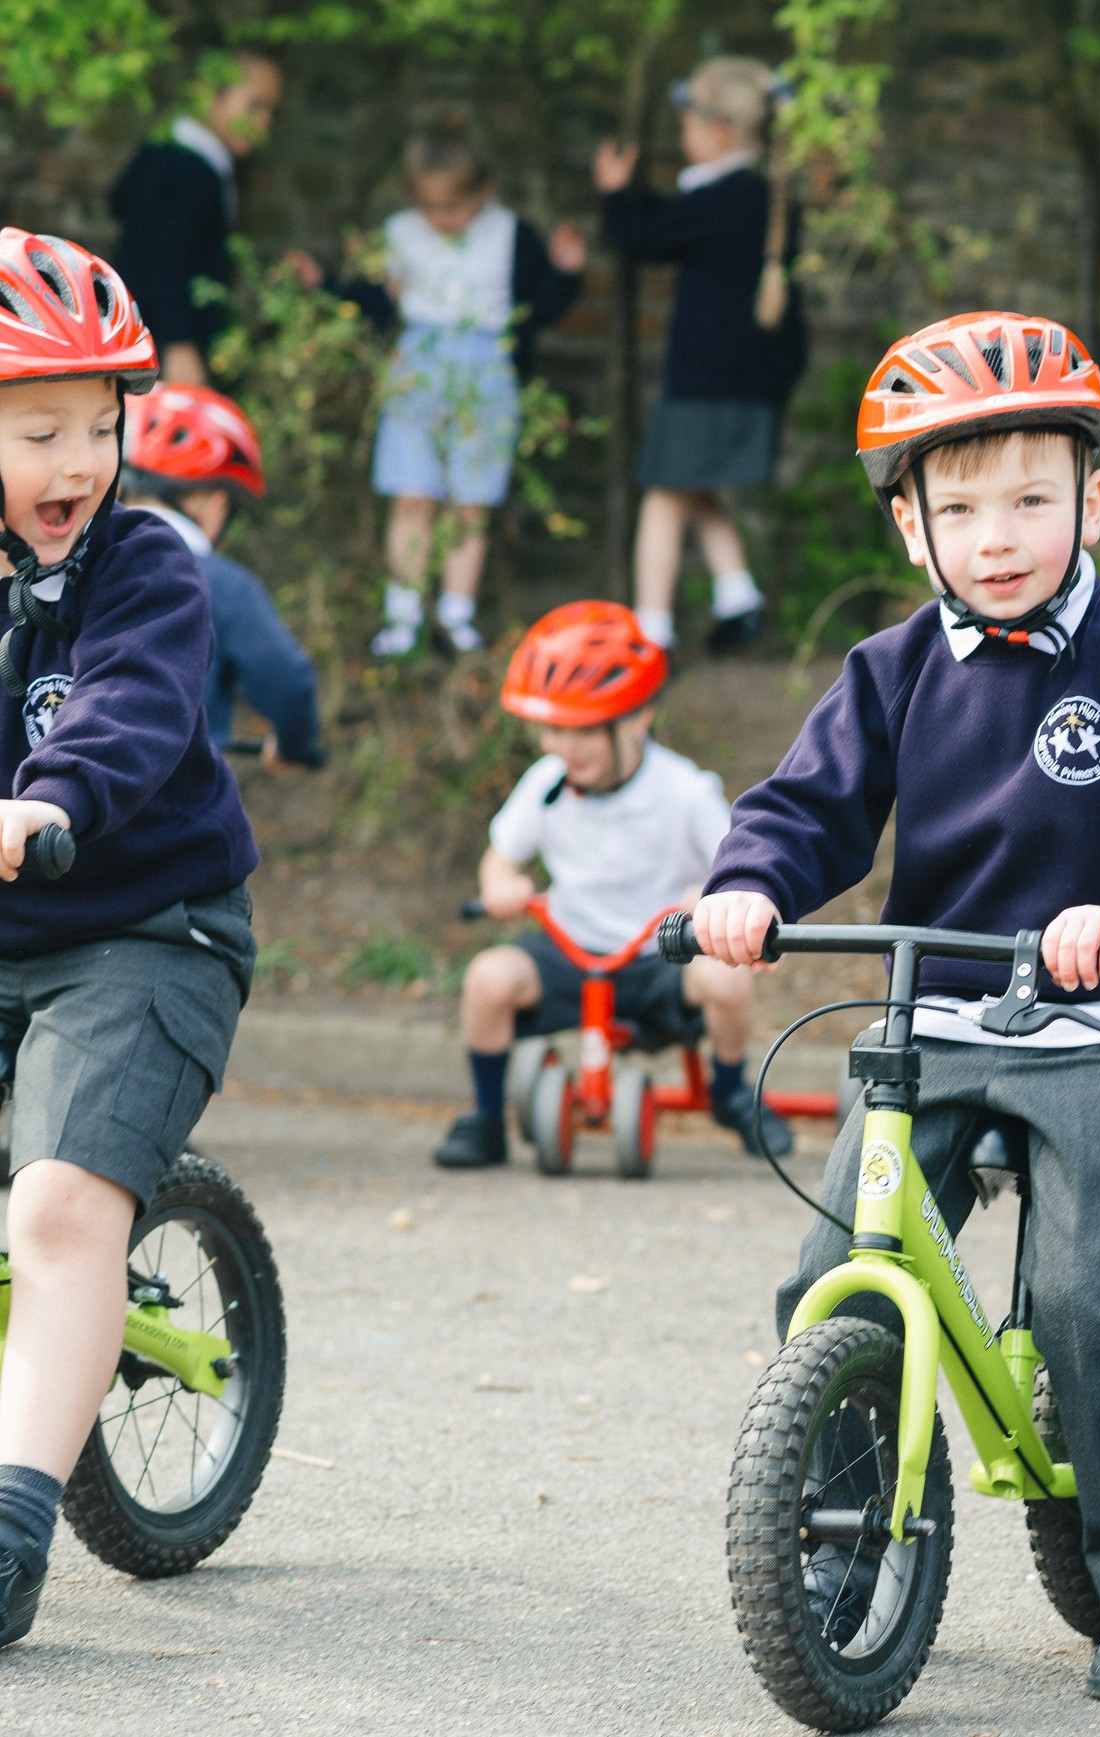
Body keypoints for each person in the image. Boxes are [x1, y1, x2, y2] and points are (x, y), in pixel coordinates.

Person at [689, 310, 1100, 1703]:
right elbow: (806, 809)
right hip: (933, 1016)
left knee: (1090, 1299)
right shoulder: (892, 670)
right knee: (829, 1279)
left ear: (1091, 498)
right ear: (910, 528)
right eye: (962, 506)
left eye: (1032, 500)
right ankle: (840, 1543)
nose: (999, 533)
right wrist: (749, 887)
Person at [0, 231, 262, 1650]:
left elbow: (131, 711)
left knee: (53, 1209)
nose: (81, 460)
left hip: (143, 928)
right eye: (40, 429)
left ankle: (10, 1531)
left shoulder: (146, 565)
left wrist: (44, 803)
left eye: (102, 426)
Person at [435, 600, 787, 1169]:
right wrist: (502, 884)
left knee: (726, 984)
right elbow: (500, 858)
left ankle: (729, 1090)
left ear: (635, 719)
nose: (561, 747)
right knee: (486, 979)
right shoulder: (546, 782)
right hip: (570, 949)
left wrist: (711, 897)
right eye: (551, 729)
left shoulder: (685, 791)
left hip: (659, 955)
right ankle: (483, 1120)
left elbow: (736, 865)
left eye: (580, 731)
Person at [595, 56, 807, 653]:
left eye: (686, 125)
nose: (680, 138)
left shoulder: (719, 201)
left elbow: (648, 237)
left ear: (718, 131)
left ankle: (649, 633)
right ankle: (738, 596)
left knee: (664, 493)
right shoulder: (766, 198)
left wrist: (615, 196)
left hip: (705, 379)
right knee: (693, 483)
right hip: (753, 376)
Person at [353, 128, 586, 659]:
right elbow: (370, 303)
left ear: (484, 191)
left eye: (454, 206)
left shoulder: (510, 233)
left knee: (471, 502)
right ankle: (402, 617)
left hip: (486, 369)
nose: (442, 218)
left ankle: (457, 615)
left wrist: (567, 274)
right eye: (430, 206)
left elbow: (539, 306)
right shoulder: (399, 234)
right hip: (417, 367)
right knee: (412, 493)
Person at [120, 384, 323, 768]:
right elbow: (287, 682)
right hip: (174, 813)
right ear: (216, 503)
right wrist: (294, 744)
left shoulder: (73, 565)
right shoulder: (221, 585)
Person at [108, 50, 285, 390]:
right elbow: (162, 258)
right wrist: (179, 342)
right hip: (161, 347)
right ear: (213, 97)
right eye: (255, 106)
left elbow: (119, 201)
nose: (265, 122)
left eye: (270, 111)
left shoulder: (166, 150)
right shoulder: (191, 169)